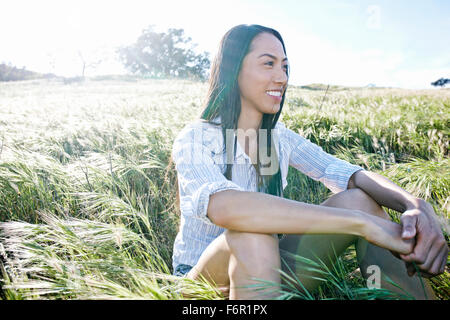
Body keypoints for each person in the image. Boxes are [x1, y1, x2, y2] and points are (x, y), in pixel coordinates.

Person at [170, 24, 448, 300]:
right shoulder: (196, 138)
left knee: (360, 200)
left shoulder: (278, 139)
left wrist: (415, 206)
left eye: (285, 67)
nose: (282, 78)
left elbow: (348, 173)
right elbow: (225, 207)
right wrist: (361, 224)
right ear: (233, 69)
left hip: (269, 269)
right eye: (268, 64)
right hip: (202, 287)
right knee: (252, 235)